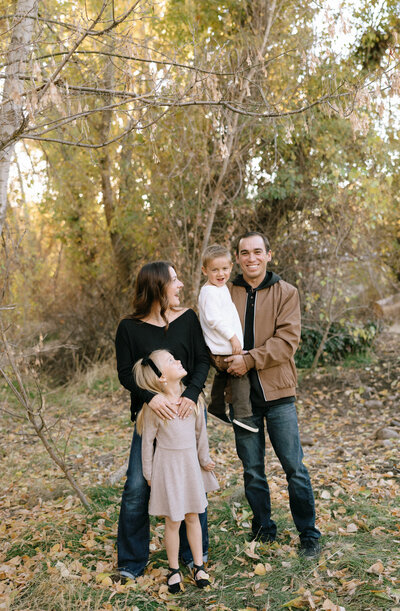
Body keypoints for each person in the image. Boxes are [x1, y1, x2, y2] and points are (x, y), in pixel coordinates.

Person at [214, 231, 321, 558]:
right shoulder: (223, 292)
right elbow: (211, 335)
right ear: (237, 258)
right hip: (242, 396)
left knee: (294, 467)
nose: (251, 258)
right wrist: (222, 360)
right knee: (252, 470)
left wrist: (248, 359)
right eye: (244, 253)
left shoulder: (286, 292)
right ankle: (263, 529)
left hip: (278, 395)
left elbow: (286, 342)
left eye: (257, 252)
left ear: (268, 255)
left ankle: (308, 534)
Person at [115, 261, 210, 580]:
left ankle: (194, 556)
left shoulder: (187, 319)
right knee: (137, 485)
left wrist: (191, 395)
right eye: (174, 280)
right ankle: (131, 562)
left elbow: (202, 361)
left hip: (185, 415)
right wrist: (150, 398)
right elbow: (126, 374)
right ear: (157, 287)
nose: (181, 284)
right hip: (151, 418)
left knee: (191, 483)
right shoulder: (129, 327)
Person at [134, 349, 219, 593]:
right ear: (161, 377)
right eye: (171, 360)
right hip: (167, 469)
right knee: (173, 520)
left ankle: (199, 565)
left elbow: (200, 434)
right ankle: (173, 569)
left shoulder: (192, 400)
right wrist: (149, 475)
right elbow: (147, 442)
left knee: (193, 516)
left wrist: (205, 459)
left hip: (190, 466)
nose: (179, 360)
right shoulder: (155, 407)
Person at [198, 244, 258, 433]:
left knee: (222, 374)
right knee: (239, 372)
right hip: (222, 348)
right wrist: (233, 338)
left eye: (224, 269)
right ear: (204, 270)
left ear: (231, 267)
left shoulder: (220, 287)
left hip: (221, 347)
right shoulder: (209, 292)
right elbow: (214, 319)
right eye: (214, 270)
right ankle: (243, 415)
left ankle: (216, 407)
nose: (220, 273)